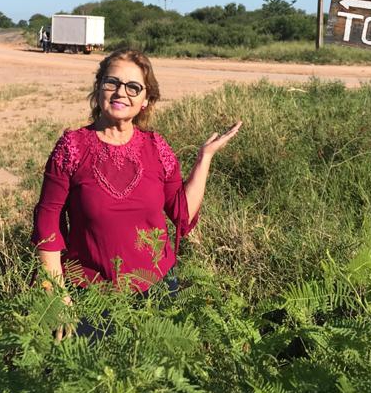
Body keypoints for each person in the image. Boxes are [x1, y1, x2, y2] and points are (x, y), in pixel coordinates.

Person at [32, 49, 241, 297]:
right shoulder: (71, 147)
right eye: (112, 82)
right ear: (99, 88)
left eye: (133, 87)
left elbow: (181, 214)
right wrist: (55, 294)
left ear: (145, 101)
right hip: (88, 292)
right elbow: (49, 222)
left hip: (157, 288)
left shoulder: (157, 148)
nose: (121, 92)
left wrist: (204, 157)